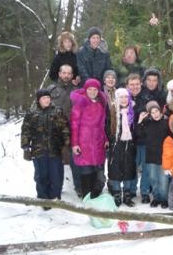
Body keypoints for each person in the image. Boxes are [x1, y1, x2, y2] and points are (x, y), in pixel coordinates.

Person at [21, 89, 70, 208]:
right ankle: (43, 200)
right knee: (41, 176)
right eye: (44, 98)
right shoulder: (32, 113)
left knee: (56, 176)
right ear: (39, 100)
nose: (46, 100)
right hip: (39, 151)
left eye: (48, 97)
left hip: (55, 150)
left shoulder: (57, 111)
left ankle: (55, 199)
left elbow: (65, 129)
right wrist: (26, 147)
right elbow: (26, 131)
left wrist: (66, 146)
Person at [70, 79, 108, 199]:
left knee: (97, 171)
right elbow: (74, 125)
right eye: (90, 89)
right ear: (86, 90)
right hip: (83, 142)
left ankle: (95, 196)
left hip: (98, 141)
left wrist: (106, 139)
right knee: (86, 171)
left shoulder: (101, 103)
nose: (92, 92)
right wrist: (75, 143)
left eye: (95, 89)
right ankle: (87, 197)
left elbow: (103, 125)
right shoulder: (80, 103)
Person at [47, 64, 82, 197]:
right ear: (59, 74)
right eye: (64, 73)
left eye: (69, 73)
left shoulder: (78, 90)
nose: (66, 75)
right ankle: (56, 189)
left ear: (72, 75)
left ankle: (79, 187)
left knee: (75, 160)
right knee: (56, 161)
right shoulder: (51, 89)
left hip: (73, 131)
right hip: (55, 132)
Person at [135, 101, 169, 208]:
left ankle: (164, 198)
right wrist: (140, 121)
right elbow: (138, 134)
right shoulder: (147, 123)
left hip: (164, 157)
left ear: (160, 111)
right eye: (152, 112)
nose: (155, 114)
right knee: (153, 179)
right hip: (151, 156)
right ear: (149, 114)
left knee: (163, 179)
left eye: (156, 111)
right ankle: (156, 197)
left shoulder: (166, 122)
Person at [108, 88, 136, 207]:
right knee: (115, 168)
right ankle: (116, 193)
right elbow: (107, 127)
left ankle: (127, 194)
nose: (124, 99)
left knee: (128, 168)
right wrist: (111, 141)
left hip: (129, 145)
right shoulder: (113, 111)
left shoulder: (133, 112)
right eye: (121, 97)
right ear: (117, 99)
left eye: (126, 97)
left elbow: (137, 130)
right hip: (116, 144)